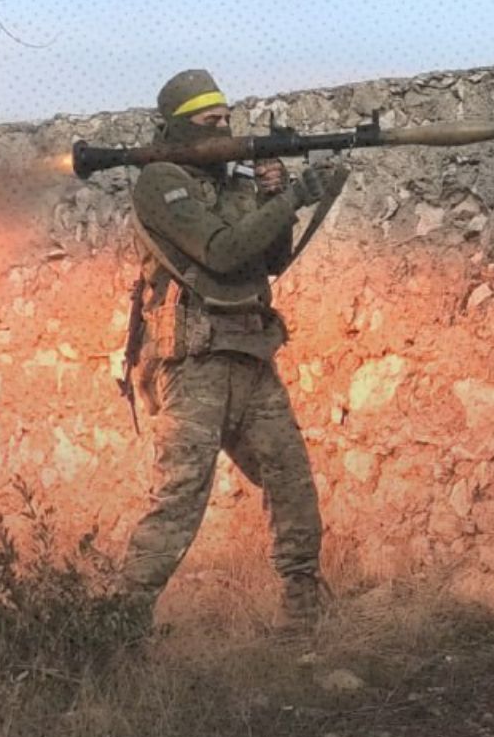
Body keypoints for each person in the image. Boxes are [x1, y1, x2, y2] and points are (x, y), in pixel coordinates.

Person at [117, 68, 338, 631]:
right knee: (181, 494)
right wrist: (286, 199)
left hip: (248, 355)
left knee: (291, 482)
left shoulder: (232, 186)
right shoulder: (159, 183)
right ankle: (120, 622)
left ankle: (303, 615)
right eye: (209, 122)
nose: (222, 129)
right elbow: (219, 251)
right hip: (193, 364)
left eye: (225, 120)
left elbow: (266, 259)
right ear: (178, 127)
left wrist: (272, 197)